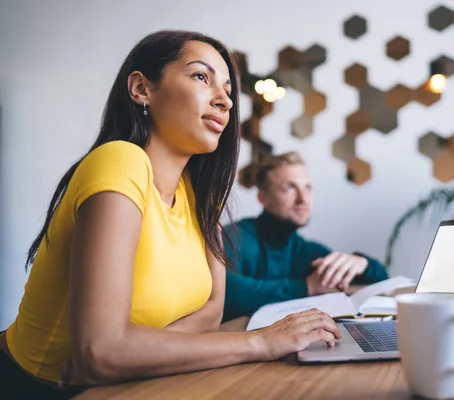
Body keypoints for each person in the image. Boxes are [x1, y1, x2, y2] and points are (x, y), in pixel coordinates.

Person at [0, 30, 340, 399]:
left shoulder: (201, 193)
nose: (225, 100)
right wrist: (261, 342)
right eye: (201, 76)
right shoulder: (121, 161)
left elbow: (212, 313)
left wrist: (128, 353)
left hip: (130, 385)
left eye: (227, 88)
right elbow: (102, 352)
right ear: (141, 89)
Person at [222, 152, 389, 322]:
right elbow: (223, 291)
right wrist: (307, 286)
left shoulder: (309, 251)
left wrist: (363, 264)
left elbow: (383, 286)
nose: (302, 199)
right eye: (289, 188)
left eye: (307, 188)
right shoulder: (234, 237)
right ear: (263, 198)